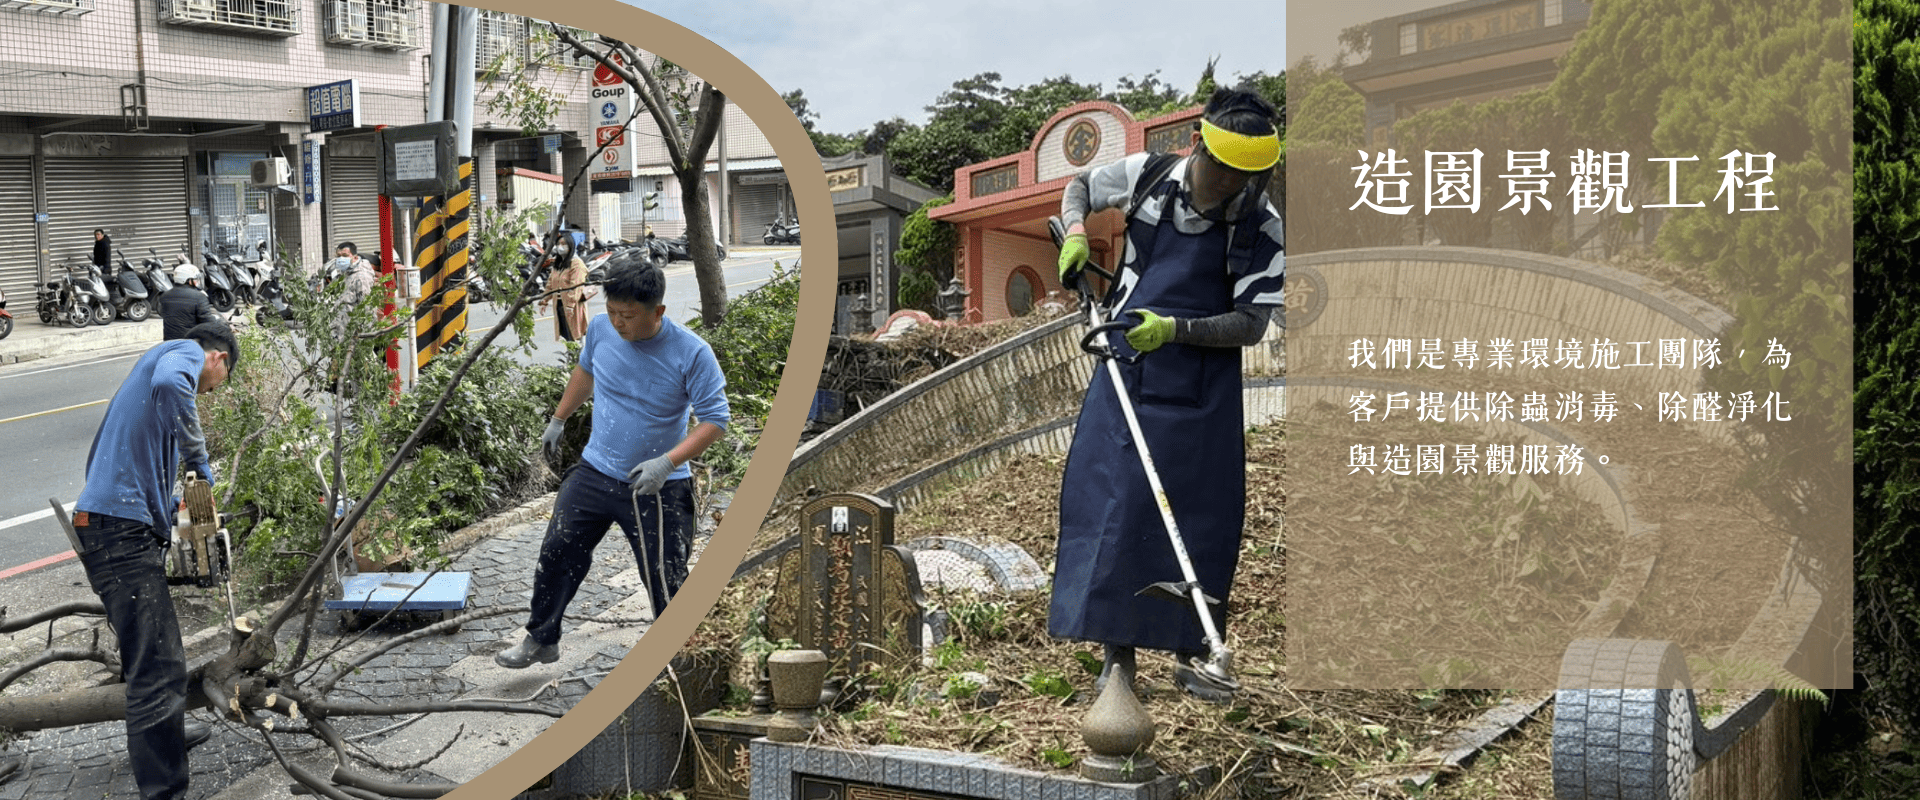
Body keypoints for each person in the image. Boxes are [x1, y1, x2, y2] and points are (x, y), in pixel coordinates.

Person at [1050, 87, 1284, 702]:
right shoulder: (1150, 175)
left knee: (1200, 514)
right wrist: (1077, 233)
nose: (1229, 184)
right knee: (1117, 503)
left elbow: (1253, 322)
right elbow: (1079, 188)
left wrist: (1177, 331)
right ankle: (1116, 660)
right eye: (1222, 168)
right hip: (1127, 363)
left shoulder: (1261, 224)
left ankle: (1195, 653)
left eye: (1245, 176)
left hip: (1203, 385)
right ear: (1198, 145)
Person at [496, 252, 731, 668]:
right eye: (612, 311)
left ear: (657, 310)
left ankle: (681, 659)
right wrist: (558, 418)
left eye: (628, 315)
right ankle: (541, 637)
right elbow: (586, 371)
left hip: (657, 485)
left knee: (665, 576)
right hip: (596, 470)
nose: (618, 322)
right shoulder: (602, 329)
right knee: (558, 549)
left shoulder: (691, 353)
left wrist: (666, 463)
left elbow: (715, 420)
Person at [71, 321, 238, 798]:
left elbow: (136, 469)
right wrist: (199, 464)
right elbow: (173, 384)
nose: (204, 395)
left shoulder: (154, 386)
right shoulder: (183, 352)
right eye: (211, 389)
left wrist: (171, 513)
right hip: (117, 532)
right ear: (218, 359)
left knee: (148, 654)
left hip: (117, 527)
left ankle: (164, 736)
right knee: (158, 668)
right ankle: (163, 791)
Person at [545, 241, 595, 342]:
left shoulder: (577, 263)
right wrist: (544, 300)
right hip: (560, 305)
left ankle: (581, 356)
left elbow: (576, 286)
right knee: (567, 335)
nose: (560, 247)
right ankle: (572, 355)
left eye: (564, 244)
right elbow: (551, 283)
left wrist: (570, 305)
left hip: (573, 305)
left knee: (577, 333)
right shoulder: (558, 264)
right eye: (558, 244)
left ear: (571, 246)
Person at [158, 263, 220, 341]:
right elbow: (207, 320)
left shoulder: (164, 296)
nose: (197, 281)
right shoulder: (199, 297)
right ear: (189, 281)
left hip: (169, 341)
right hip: (191, 341)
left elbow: (163, 314)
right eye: (195, 279)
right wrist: (219, 322)